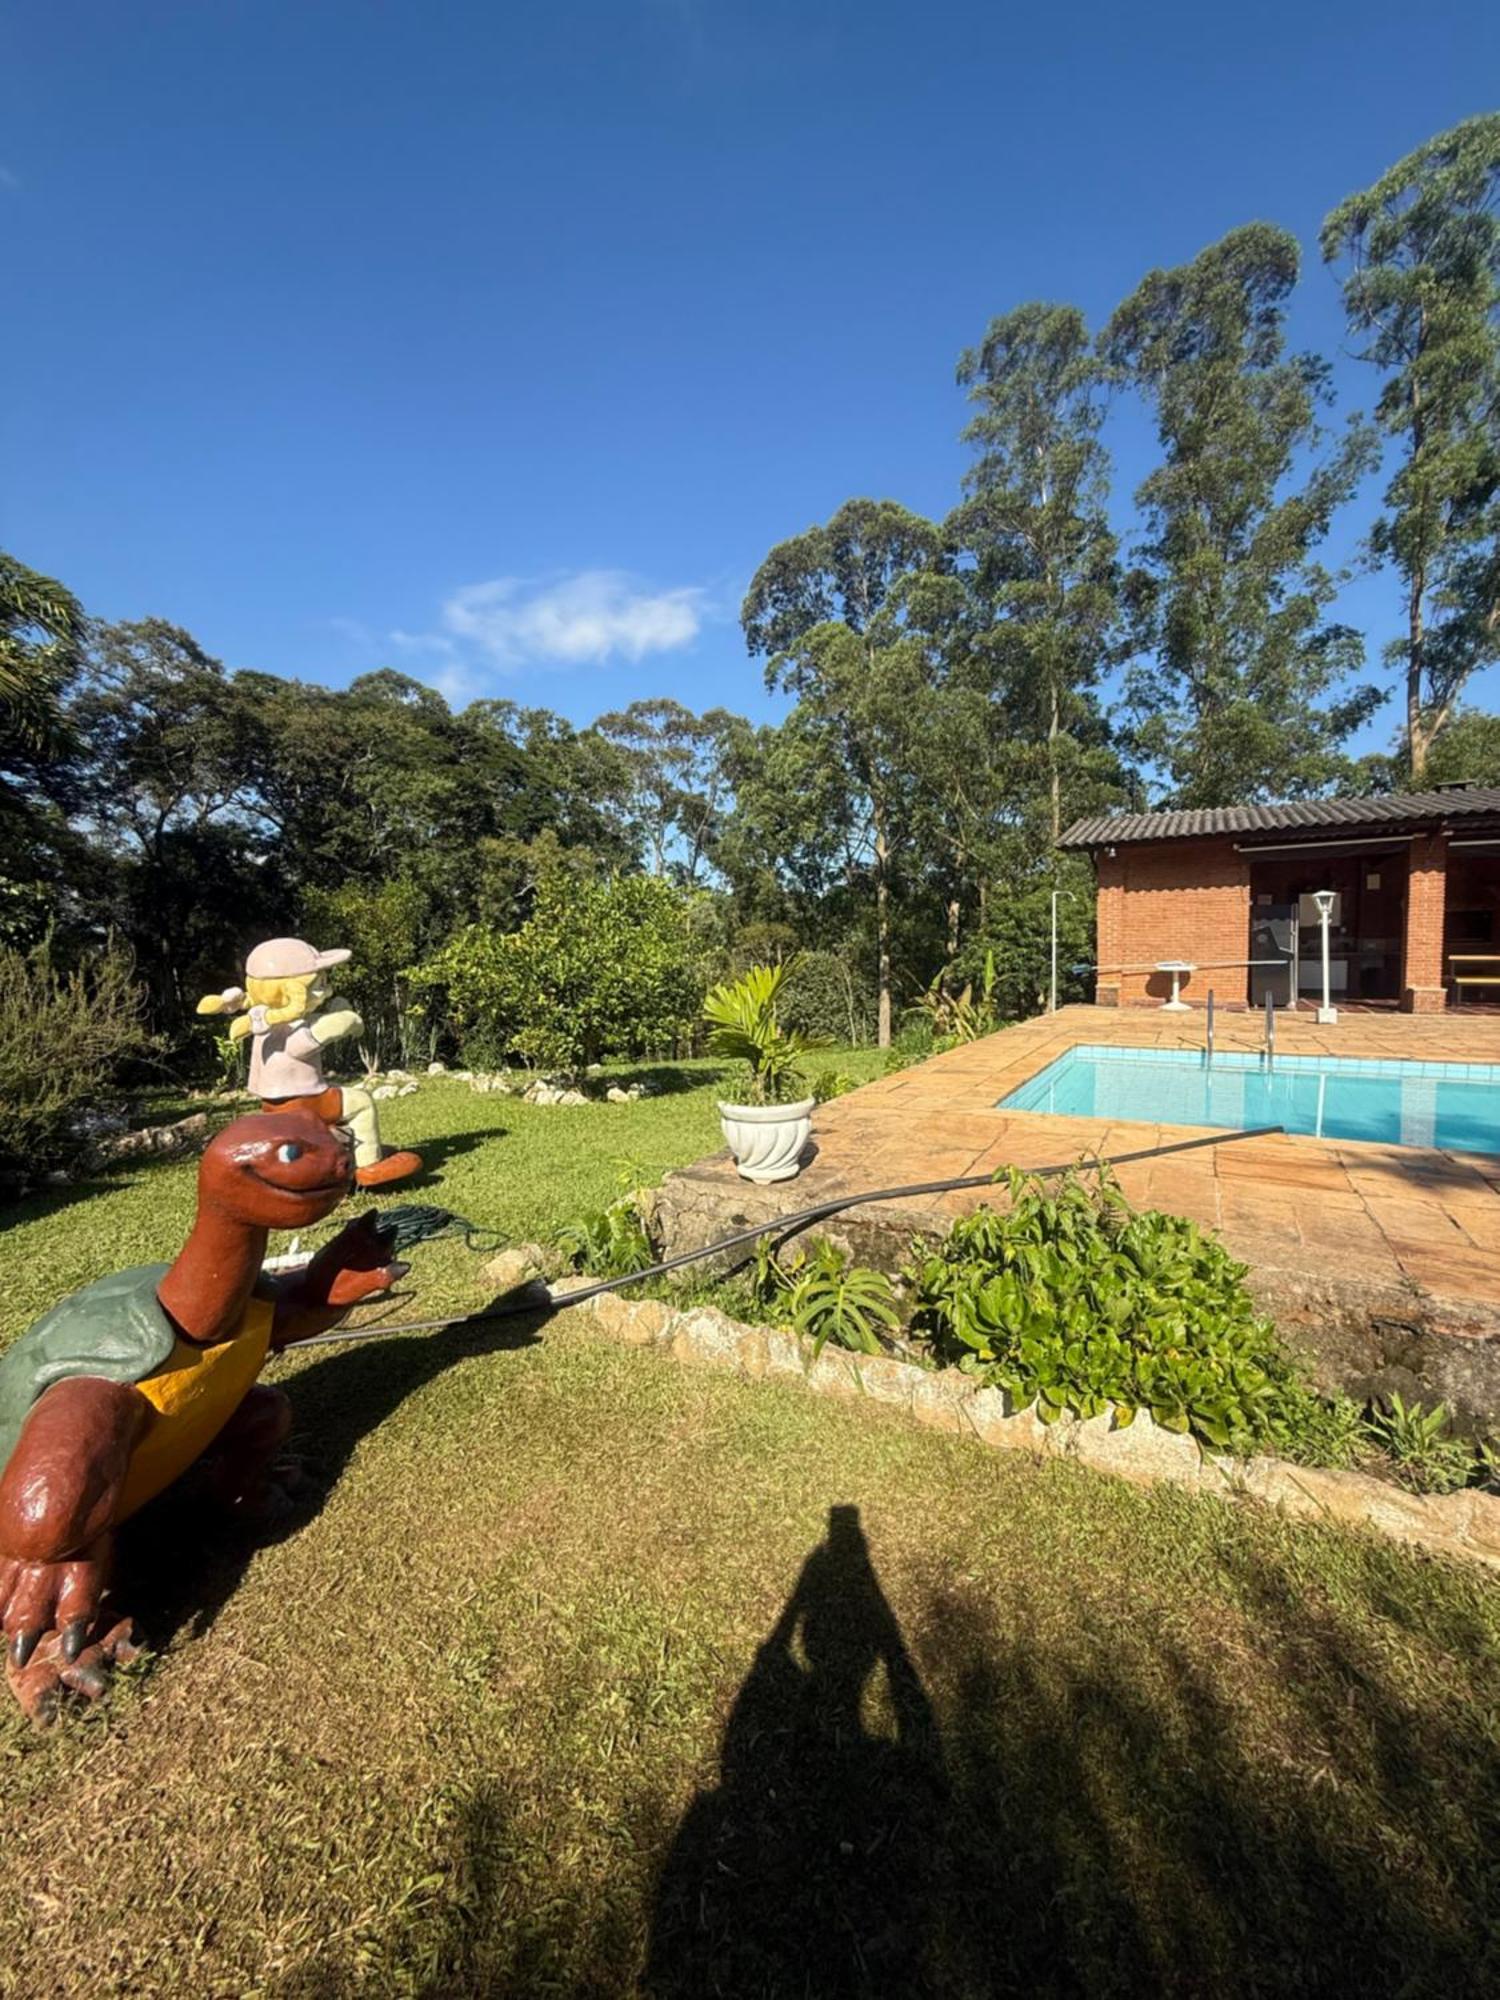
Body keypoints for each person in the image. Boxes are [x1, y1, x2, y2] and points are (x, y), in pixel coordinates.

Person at [198, 936, 421, 1189]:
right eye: (319, 985)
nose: (326, 991)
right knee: (361, 1103)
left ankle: (346, 1148)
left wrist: (331, 1012)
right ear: (292, 990)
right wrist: (345, 1021)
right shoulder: (288, 1025)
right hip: (302, 1100)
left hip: (272, 1102)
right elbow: (303, 1044)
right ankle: (369, 1166)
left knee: (335, 1090)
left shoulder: (264, 1018)